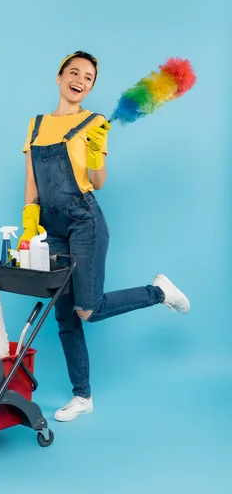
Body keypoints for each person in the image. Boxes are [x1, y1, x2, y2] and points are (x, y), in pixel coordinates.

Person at [19, 51, 190, 422]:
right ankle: (82, 396)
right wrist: (29, 227)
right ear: (59, 76)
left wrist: (95, 151)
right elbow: (31, 182)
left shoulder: (93, 122)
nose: (81, 80)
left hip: (84, 221)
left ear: (91, 87)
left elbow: (98, 182)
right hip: (50, 227)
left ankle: (159, 292)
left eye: (89, 78)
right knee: (64, 316)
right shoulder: (35, 125)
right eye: (74, 72)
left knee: (88, 308)